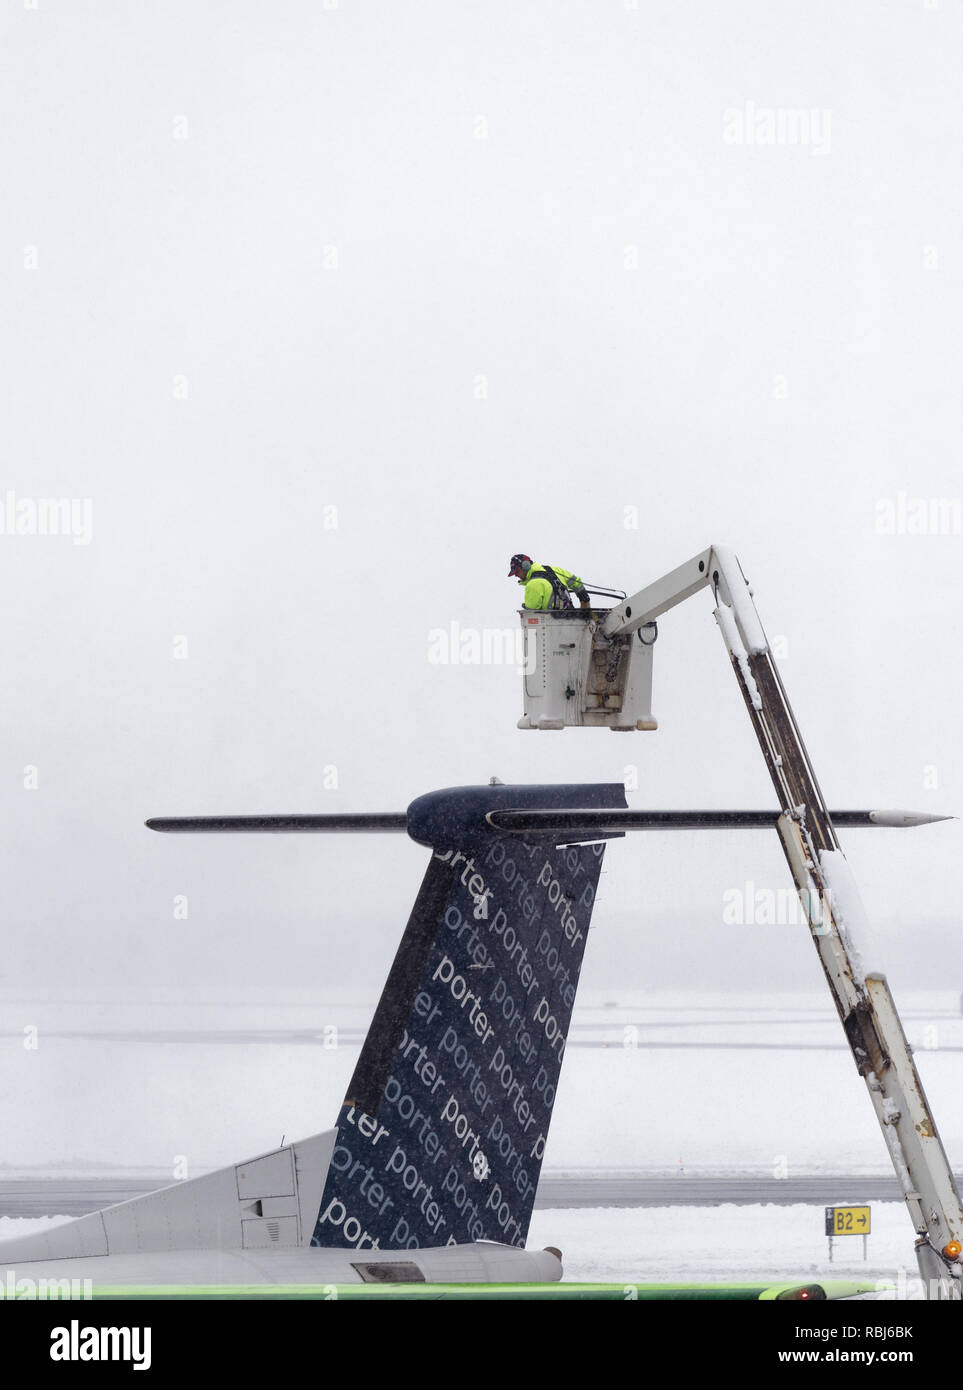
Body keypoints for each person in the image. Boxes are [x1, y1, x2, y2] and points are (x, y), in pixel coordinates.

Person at [508, 554, 592, 610]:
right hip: (571, 616)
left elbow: (532, 610)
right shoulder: (554, 570)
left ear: (525, 566)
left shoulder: (533, 584)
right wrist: (583, 597)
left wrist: (526, 606)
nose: (516, 575)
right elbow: (575, 582)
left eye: (517, 572)